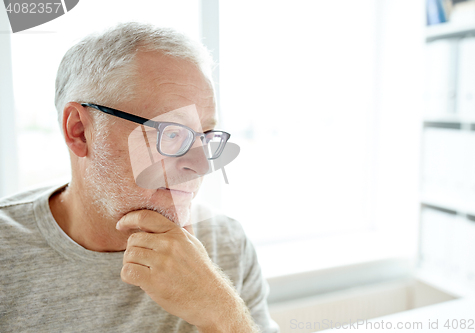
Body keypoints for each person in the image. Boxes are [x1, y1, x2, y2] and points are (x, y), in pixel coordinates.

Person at [0, 22, 279, 333]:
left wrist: (222, 314)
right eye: (172, 133)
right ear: (79, 131)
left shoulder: (226, 243)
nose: (202, 165)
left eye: (206, 136)